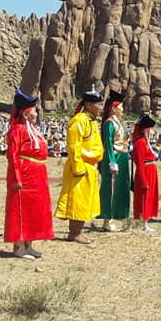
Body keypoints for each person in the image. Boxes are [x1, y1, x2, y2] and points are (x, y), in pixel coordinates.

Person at [4, 88, 54, 257]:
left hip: (37, 175)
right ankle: (19, 246)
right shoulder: (16, 130)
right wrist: (16, 178)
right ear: (25, 114)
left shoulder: (33, 130)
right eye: (34, 112)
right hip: (24, 174)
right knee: (21, 210)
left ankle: (29, 243)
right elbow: (13, 155)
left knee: (34, 210)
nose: (37, 114)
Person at [55, 88, 105, 244]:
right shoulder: (79, 121)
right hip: (81, 166)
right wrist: (78, 168)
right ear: (89, 105)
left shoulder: (91, 121)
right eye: (99, 104)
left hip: (90, 166)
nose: (101, 108)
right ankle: (74, 232)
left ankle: (78, 231)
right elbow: (74, 146)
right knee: (78, 200)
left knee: (85, 199)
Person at [97, 89, 130, 232]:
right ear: (114, 108)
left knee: (120, 187)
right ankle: (107, 219)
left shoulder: (120, 123)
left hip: (122, 157)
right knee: (110, 188)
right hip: (114, 157)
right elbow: (108, 144)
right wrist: (111, 161)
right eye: (121, 107)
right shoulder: (109, 124)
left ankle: (119, 214)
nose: (123, 109)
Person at [131, 114, 159, 231]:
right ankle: (141, 221)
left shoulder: (145, 142)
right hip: (145, 172)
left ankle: (145, 220)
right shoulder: (140, 143)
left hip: (150, 171)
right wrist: (143, 180)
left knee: (149, 197)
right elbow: (139, 163)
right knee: (143, 197)